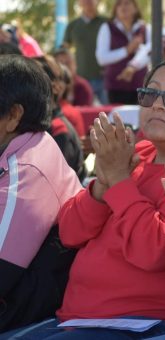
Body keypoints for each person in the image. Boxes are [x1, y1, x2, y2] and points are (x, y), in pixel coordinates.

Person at [4, 57, 165, 339]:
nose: (157, 104)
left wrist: (118, 179)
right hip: (79, 318)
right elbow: (70, 232)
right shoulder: (135, 152)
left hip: (144, 323)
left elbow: (155, 252)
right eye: (150, 94)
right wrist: (102, 189)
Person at [0, 55, 82, 332]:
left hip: (26, 304)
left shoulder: (25, 169)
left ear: (13, 115)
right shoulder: (25, 144)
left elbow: (2, 273)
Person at [34, 55, 86, 182]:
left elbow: (55, 182)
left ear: (56, 88)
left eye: (33, 82)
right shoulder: (35, 126)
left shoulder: (58, 129)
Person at [96, 0, 151, 105]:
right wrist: (126, 50)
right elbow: (101, 58)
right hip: (115, 87)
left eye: (127, 3)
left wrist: (132, 67)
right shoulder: (107, 28)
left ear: (135, 8)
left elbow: (150, 53)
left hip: (141, 87)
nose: (123, 7)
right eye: (119, 4)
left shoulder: (145, 28)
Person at [63, 0, 108, 104]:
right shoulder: (72, 25)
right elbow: (64, 51)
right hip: (81, 79)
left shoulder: (107, 23)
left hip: (104, 79)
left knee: (109, 115)